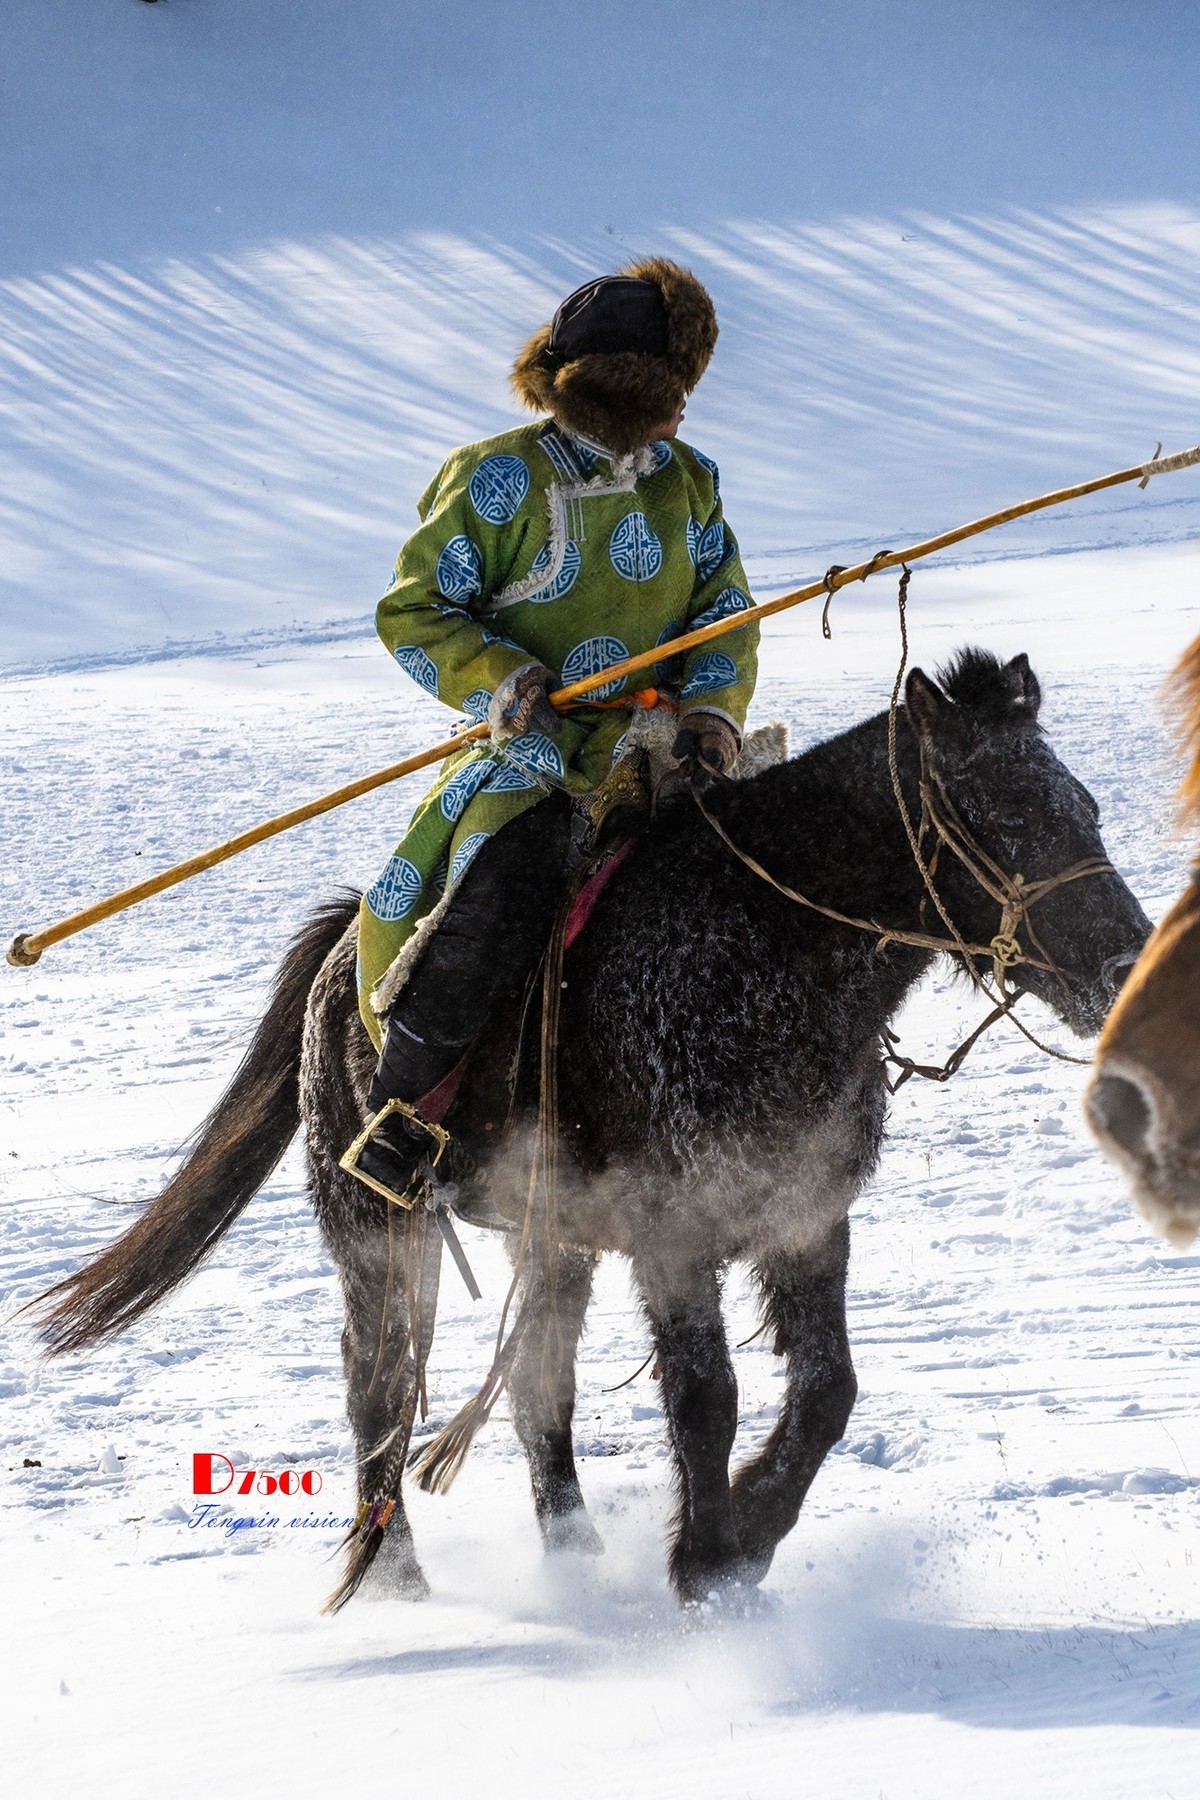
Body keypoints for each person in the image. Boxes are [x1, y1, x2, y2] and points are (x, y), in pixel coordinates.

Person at [346, 257, 760, 1207]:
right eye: (670, 393)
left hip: (662, 753)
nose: (686, 412)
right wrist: (502, 678)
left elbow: (723, 612)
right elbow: (415, 613)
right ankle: (405, 1117)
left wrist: (709, 710)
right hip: (534, 757)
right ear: (619, 397)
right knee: (504, 889)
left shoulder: (691, 483)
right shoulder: (494, 480)